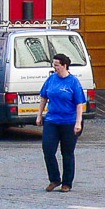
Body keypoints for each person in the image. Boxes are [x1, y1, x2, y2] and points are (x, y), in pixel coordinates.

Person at [37, 52, 88, 193]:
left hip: (69, 122)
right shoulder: (51, 79)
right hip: (52, 120)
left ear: (64, 66)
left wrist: (78, 123)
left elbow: (79, 104)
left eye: (57, 65)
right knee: (48, 149)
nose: (55, 68)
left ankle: (67, 183)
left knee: (67, 152)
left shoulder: (73, 82)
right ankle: (54, 179)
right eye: (54, 65)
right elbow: (43, 97)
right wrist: (39, 115)